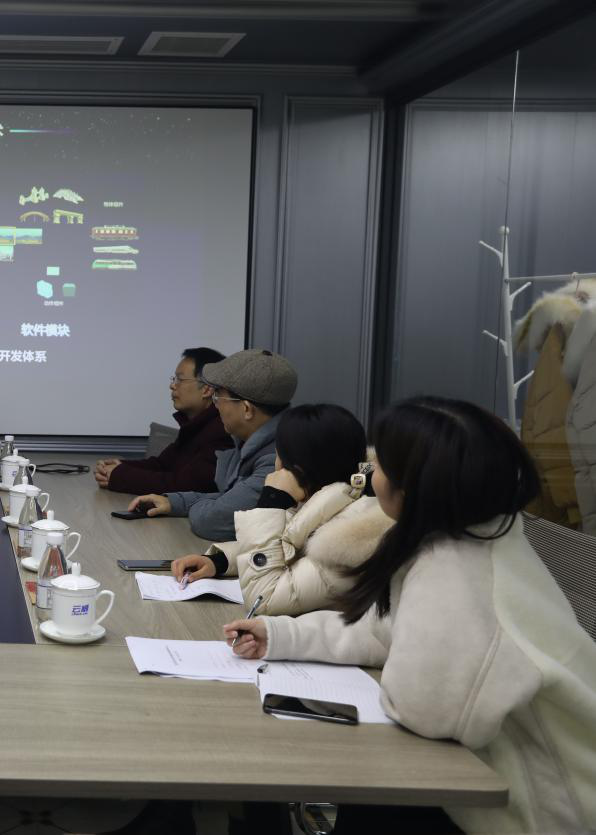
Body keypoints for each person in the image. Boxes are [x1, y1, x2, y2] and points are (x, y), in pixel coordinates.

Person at [225, 396, 596, 835]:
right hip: (503, 772)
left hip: (540, 809)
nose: (370, 473)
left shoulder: (457, 571)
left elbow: (424, 711)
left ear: (413, 485)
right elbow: (384, 628)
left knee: (369, 792)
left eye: (382, 463)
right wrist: (281, 635)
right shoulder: (470, 536)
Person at [168, 404, 394, 615]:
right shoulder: (333, 500)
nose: (274, 465)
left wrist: (271, 503)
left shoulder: (345, 539)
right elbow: (285, 543)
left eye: (278, 455)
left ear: (296, 470)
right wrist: (219, 562)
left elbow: (264, 600)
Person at [129, 348, 297, 541]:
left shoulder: (275, 460)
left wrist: (196, 506)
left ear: (246, 409)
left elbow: (213, 521)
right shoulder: (249, 443)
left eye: (218, 397)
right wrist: (175, 503)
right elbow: (227, 498)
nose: (215, 405)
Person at [94, 347, 232, 495]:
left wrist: (120, 476)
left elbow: (187, 485)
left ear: (206, 389)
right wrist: (120, 466)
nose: (172, 385)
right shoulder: (196, 426)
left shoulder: (223, 430)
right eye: (174, 379)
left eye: (180, 380)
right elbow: (162, 465)